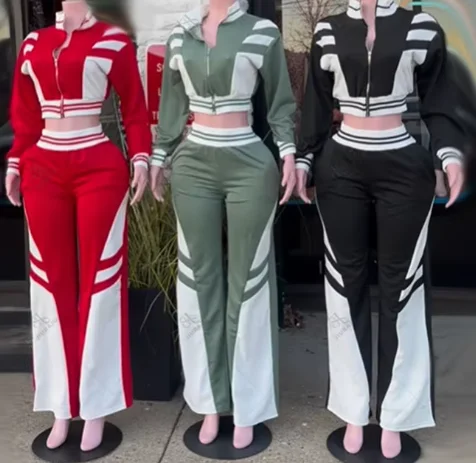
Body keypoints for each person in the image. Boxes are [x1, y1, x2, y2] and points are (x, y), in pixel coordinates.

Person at [295, 0, 466, 458]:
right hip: (341, 166)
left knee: (402, 288)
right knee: (344, 285)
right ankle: (353, 409)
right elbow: (316, 103)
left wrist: (449, 153)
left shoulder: (420, 26)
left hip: (403, 166)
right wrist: (305, 158)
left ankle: (396, 414)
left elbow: (440, 99)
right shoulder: (327, 31)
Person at [4, 0, 150, 452]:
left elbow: (133, 107)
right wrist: (14, 162)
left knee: (100, 284)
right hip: (43, 168)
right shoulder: (33, 44)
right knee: (51, 287)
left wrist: (141, 158)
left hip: (99, 167)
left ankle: (97, 405)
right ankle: (60, 404)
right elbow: (25, 116)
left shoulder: (112, 40)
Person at [150, 0, 296, 450]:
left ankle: (248, 406)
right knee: (198, 283)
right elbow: (171, 104)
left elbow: (280, 101)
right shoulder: (180, 36)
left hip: (249, 162)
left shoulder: (262, 32)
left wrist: (288, 153)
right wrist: (158, 157)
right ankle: (210, 403)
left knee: (249, 284)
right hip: (193, 163)